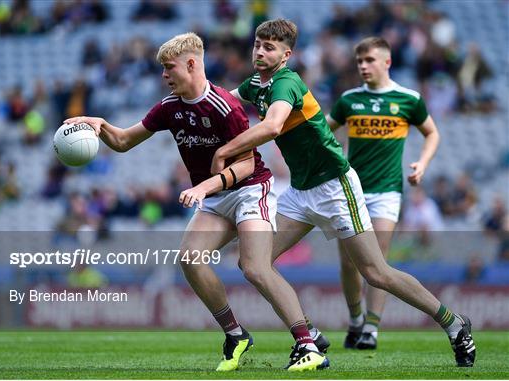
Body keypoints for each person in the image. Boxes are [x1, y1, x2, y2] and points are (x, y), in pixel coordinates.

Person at [211, 19, 475, 367]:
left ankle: (454, 325)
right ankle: (306, 334)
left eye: (270, 47)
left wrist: (223, 151)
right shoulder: (255, 84)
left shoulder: (287, 83)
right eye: (258, 44)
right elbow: (222, 102)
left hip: (334, 186)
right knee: (253, 263)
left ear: (286, 54)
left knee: (376, 273)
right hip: (300, 191)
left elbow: (273, 126)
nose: (260, 51)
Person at [63, 32, 328, 372]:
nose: (163, 75)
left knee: (254, 267)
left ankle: (307, 343)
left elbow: (247, 163)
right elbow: (125, 141)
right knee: (190, 259)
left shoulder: (224, 106)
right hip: (216, 196)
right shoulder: (168, 108)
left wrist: (204, 187)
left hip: (250, 190)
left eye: (168, 67)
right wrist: (100, 125)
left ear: (191, 64)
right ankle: (236, 335)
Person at [327, 36, 441, 350]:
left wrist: (423, 163)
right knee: (349, 264)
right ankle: (355, 319)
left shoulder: (408, 99)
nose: (363, 66)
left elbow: (432, 132)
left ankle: (371, 329)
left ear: (387, 62)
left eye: (370, 61)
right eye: (359, 62)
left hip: (387, 191)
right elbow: (325, 130)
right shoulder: (349, 100)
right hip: (350, 191)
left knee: (377, 263)